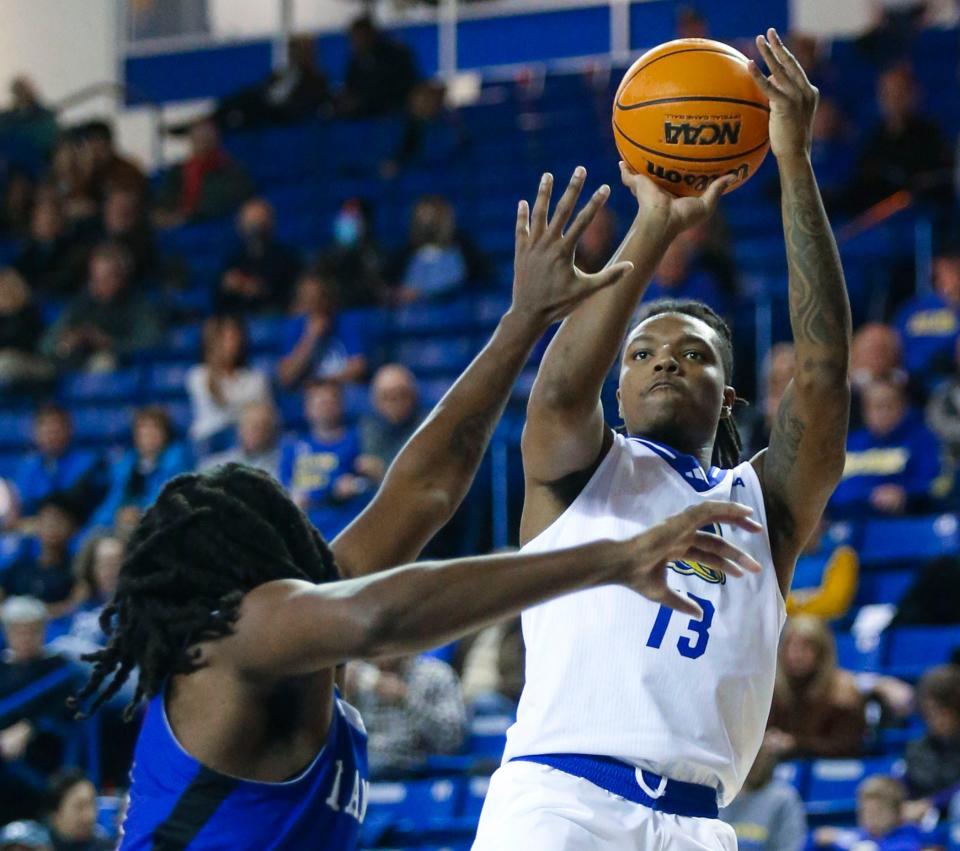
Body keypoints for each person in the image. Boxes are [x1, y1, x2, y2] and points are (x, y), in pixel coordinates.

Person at [68, 168, 765, 849]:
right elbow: (383, 616)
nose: (308, 532)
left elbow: (426, 487)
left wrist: (523, 320)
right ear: (242, 564)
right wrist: (615, 557)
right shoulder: (236, 640)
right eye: (279, 525)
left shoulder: (305, 620)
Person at [474, 31, 852, 848]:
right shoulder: (578, 471)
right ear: (619, 386)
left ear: (730, 397)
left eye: (692, 353)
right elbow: (561, 387)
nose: (662, 362)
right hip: (560, 801)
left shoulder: (764, 505)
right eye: (641, 353)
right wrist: (655, 225)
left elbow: (822, 377)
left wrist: (793, 161)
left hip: (697, 823)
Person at [0, 597, 80, 824]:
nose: (25, 638)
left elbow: (65, 707)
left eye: (31, 631)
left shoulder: (57, 666)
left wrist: (29, 727)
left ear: (43, 631)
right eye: (18, 631)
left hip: (44, 753)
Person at [830, 378, 951, 519]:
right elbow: (828, 492)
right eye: (876, 406)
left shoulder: (923, 440)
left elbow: (938, 485)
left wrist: (905, 493)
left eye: (889, 405)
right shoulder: (848, 444)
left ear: (903, 406)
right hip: (847, 525)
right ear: (864, 410)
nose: (883, 413)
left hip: (904, 523)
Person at [846, 63, 954, 215]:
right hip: (877, 225)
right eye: (887, 94)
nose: (894, 101)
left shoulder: (932, 135)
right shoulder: (873, 139)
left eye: (900, 93)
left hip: (917, 220)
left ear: (914, 94)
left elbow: (939, 181)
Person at [40, 243, 162, 371]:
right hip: (74, 363)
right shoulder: (82, 303)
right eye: (96, 278)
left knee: (103, 363)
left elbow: (150, 342)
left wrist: (107, 342)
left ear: (123, 277)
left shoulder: (138, 304)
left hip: (121, 368)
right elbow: (45, 345)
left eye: (108, 277)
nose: (100, 284)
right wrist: (66, 342)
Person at [278, 379, 371, 538]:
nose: (325, 407)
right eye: (319, 403)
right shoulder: (293, 446)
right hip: (301, 530)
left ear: (341, 405)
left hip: (342, 528)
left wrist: (320, 495)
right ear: (307, 408)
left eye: (330, 402)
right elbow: (285, 490)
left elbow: (364, 483)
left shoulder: (358, 440)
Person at [346, 654, 466, 778]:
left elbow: (452, 740)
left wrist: (405, 698)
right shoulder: (357, 675)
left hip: (412, 769)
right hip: (361, 770)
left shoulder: (436, 675)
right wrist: (342, 696)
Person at [766, 616, 866, 758]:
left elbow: (847, 746)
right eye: (791, 646)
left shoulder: (842, 692)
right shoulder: (774, 691)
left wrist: (795, 744)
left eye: (806, 647)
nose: (797, 654)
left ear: (822, 653)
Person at [89, 407, 191, 531]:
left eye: (154, 429)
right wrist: (106, 521)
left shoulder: (176, 462)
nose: (148, 435)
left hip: (155, 528)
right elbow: (112, 502)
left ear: (166, 434)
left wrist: (140, 513)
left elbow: (169, 501)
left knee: (111, 548)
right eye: (143, 430)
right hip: (117, 525)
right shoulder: (125, 465)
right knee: (94, 538)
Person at [186, 315, 272, 451]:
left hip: (247, 439)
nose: (231, 344)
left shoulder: (255, 377)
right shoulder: (198, 375)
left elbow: (265, 413)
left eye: (234, 337)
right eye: (224, 338)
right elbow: (221, 404)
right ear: (212, 342)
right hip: (209, 441)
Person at [154, 118, 252, 227]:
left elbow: (223, 204)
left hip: (212, 226)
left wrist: (186, 218)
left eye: (206, 136)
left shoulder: (231, 170)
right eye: (198, 136)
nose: (202, 141)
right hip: (177, 228)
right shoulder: (177, 171)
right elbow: (164, 201)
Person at [276, 272, 368, 388]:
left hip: (343, 390)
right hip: (308, 395)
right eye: (308, 299)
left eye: (318, 298)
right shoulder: (293, 327)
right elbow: (287, 377)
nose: (314, 305)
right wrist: (310, 338)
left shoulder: (348, 323)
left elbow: (358, 368)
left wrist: (323, 382)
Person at [10, 406, 102, 523]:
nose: (52, 436)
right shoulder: (28, 466)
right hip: (35, 528)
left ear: (69, 429)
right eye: (47, 430)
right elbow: (23, 504)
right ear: (35, 434)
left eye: (57, 430)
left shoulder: (88, 463)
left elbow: (74, 502)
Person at [216, 198, 302, 314]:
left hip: (275, 317)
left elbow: (292, 295)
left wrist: (258, 290)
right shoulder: (232, 260)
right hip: (240, 319)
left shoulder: (287, 258)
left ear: (271, 223)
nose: (254, 229)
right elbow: (219, 299)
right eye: (250, 223)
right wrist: (227, 287)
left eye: (259, 223)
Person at [0, 495, 82, 616]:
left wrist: (30, 614)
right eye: (46, 519)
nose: (51, 526)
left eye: (59, 520)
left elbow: (73, 608)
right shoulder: (19, 565)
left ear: (72, 528)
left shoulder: (76, 571)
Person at [718, 741, 807, 851]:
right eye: (752, 761)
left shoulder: (784, 798)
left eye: (760, 760)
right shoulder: (722, 794)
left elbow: (791, 845)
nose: (756, 766)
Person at [394, 195, 484, 303]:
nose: (426, 221)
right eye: (422, 216)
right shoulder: (405, 253)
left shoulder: (464, 246)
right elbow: (392, 287)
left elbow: (483, 279)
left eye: (432, 216)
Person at [812, 775, 926, 850]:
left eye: (878, 811)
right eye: (865, 811)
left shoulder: (908, 838)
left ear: (896, 813)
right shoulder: (856, 835)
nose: (870, 817)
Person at [895, 248, 960, 378]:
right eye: (941, 271)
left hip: (952, 376)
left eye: (952, 270)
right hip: (907, 379)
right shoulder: (914, 306)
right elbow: (893, 341)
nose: (945, 277)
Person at [339, 15, 420, 118]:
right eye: (354, 38)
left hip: (394, 114)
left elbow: (400, 89)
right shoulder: (355, 62)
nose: (357, 42)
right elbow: (350, 89)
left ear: (371, 35)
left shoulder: (395, 56)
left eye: (360, 36)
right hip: (364, 118)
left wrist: (365, 101)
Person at [904, 665, 960, 813]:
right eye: (929, 711)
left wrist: (931, 803)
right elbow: (906, 784)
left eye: (940, 711)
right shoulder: (918, 748)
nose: (933, 718)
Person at [316, 198, 388, 309]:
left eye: (352, 218)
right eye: (344, 217)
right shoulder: (326, 257)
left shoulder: (375, 255)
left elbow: (377, 289)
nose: (347, 223)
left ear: (365, 223)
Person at [641, 230, 729, 317]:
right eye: (667, 262)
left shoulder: (704, 285)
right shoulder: (642, 289)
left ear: (686, 261)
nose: (672, 267)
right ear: (656, 264)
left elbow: (717, 322)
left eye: (677, 261)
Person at [359, 364, 424, 478]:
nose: (395, 403)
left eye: (402, 394)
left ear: (414, 396)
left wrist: (383, 470)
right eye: (386, 396)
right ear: (375, 401)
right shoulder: (368, 428)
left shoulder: (429, 426)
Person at [786, 521, 860, 621]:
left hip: (821, 627)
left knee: (802, 629)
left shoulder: (841, 555)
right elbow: (770, 604)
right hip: (781, 626)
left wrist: (792, 602)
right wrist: (808, 597)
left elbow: (834, 604)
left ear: (821, 523)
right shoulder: (782, 560)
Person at [13, 196, 82, 297]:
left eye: (52, 216)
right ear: (33, 222)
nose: (47, 220)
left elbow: (66, 278)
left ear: (60, 221)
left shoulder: (71, 249)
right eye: (42, 216)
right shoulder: (24, 250)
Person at [199, 401, 282, 479]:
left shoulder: (280, 465)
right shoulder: (217, 463)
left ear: (269, 431)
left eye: (257, 427)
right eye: (246, 425)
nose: (250, 431)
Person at [0, 269, 53, 387]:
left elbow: (19, 341)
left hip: (32, 361)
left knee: (3, 362)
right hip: (10, 360)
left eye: (4, 289)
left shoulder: (28, 313)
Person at [77, 121, 147, 206]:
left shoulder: (126, 171)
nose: (93, 149)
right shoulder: (85, 170)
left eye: (96, 142)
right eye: (89, 144)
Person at [45, 769, 113, 851]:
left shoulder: (107, 847)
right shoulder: (34, 845)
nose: (90, 816)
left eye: (93, 805)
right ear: (54, 815)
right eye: (79, 807)